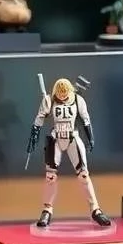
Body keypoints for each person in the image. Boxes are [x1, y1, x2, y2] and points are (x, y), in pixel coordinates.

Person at [27, 78, 111, 228]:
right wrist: (34, 135)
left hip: (73, 137)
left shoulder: (78, 100)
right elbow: (39, 120)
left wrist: (90, 138)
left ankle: (95, 209)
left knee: (83, 174)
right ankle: (47, 210)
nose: (63, 96)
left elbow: (86, 120)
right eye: (60, 94)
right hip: (56, 138)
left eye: (65, 93)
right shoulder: (49, 101)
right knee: (50, 177)